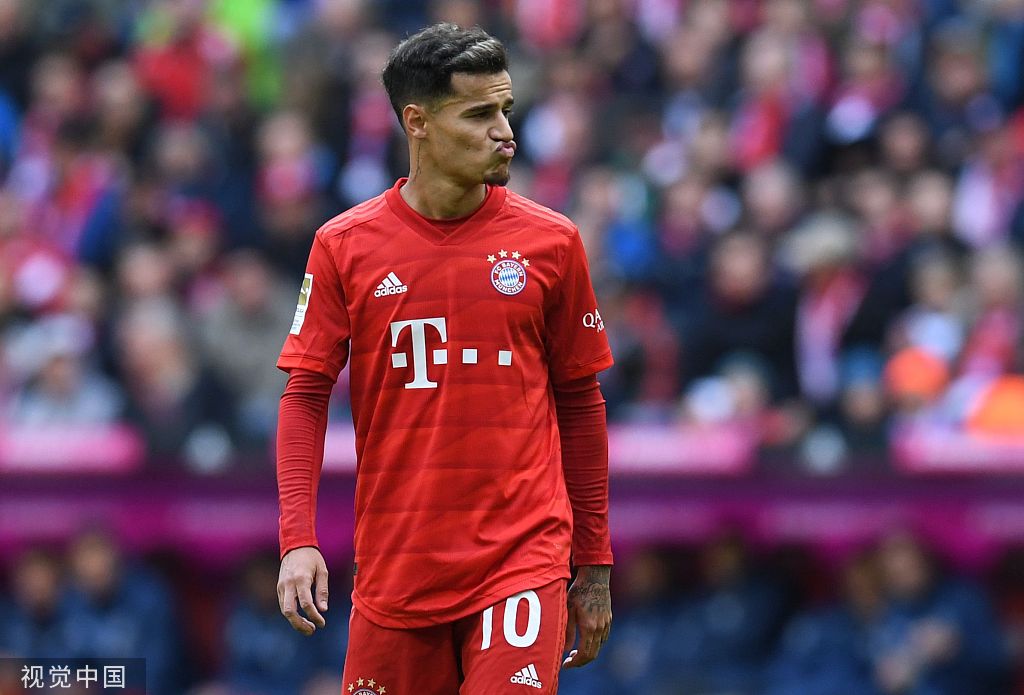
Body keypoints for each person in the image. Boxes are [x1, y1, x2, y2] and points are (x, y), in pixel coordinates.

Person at [274, 23, 614, 695]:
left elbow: (581, 401)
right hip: (397, 568)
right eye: (480, 114)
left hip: (521, 559)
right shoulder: (343, 246)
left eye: (506, 110)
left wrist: (594, 561)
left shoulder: (552, 242)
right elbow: (306, 395)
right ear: (418, 122)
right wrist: (298, 539)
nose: (505, 133)